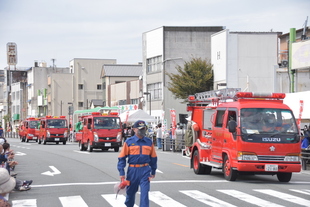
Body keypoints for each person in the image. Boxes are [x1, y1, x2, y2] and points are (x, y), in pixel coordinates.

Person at [117, 120, 157, 207]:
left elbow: (153, 158)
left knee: (145, 194)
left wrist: (153, 171)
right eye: (140, 129)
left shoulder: (149, 142)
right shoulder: (129, 142)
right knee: (130, 194)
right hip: (133, 171)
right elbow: (122, 158)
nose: (142, 130)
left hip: (145, 170)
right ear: (134, 129)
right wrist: (122, 173)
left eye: (144, 128)